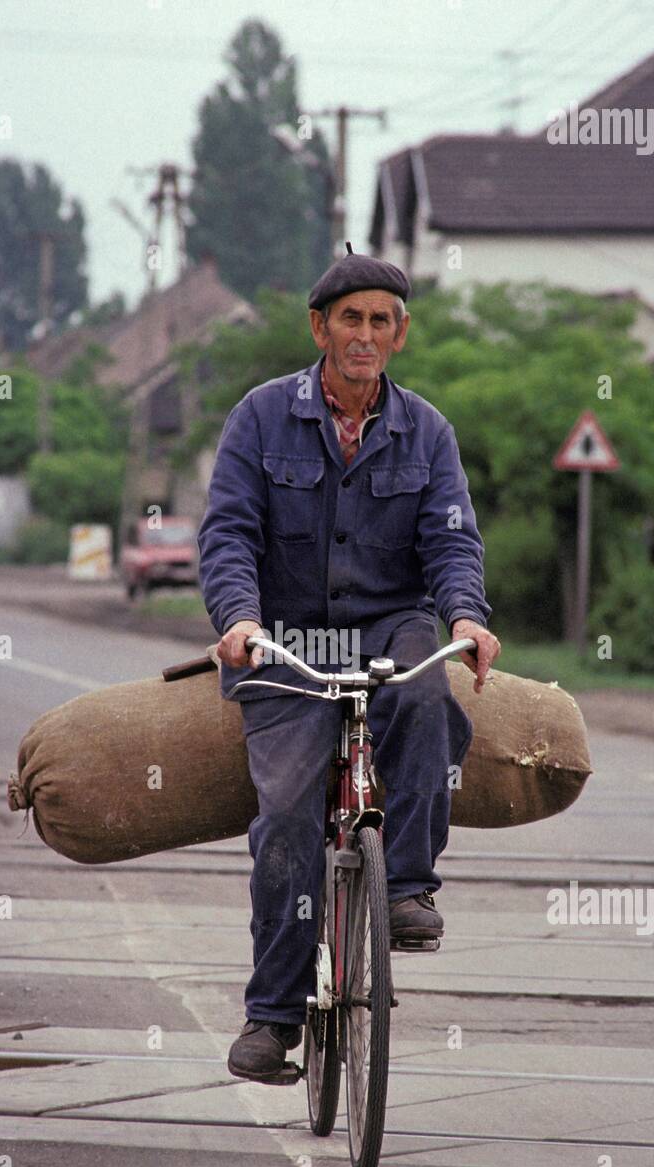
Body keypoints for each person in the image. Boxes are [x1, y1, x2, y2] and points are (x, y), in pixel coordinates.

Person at [198, 245, 501, 1082]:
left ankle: (405, 886)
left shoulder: (427, 431)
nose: (363, 334)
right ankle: (271, 1019)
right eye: (349, 319)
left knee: (430, 703)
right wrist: (239, 621)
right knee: (288, 820)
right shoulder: (260, 417)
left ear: (398, 335)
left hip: (387, 628)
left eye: (380, 321)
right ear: (319, 328)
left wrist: (466, 616)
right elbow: (227, 534)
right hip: (286, 640)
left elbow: (450, 540)